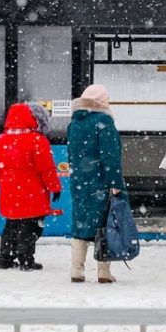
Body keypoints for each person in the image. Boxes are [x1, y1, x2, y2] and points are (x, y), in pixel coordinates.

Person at [0, 103, 62, 270]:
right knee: (29, 227)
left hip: (10, 192)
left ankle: (5, 258)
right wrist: (55, 187)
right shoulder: (38, 141)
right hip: (32, 193)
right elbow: (46, 169)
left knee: (11, 225)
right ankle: (25, 259)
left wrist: (6, 185)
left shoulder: (1, 141)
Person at [67, 84, 124, 284]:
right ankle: (103, 271)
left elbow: (71, 155)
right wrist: (115, 182)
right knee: (104, 224)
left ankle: (77, 270)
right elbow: (110, 156)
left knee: (80, 223)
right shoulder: (103, 120)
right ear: (99, 100)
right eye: (106, 98)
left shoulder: (74, 122)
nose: (108, 102)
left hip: (79, 181)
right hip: (100, 181)